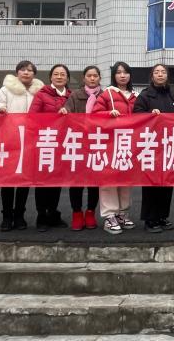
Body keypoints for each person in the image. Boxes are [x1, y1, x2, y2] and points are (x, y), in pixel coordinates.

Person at [0, 60, 44, 232]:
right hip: (10, 139)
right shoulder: (6, 89)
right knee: (7, 180)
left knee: (24, 180)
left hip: (30, 141)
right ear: (17, 73)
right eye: (22, 70)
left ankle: (19, 215)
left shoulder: (40, 91)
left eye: (29, 70)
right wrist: (0, 110)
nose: (26, 73)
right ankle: (6, 216)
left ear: (34, 74)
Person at [133, 64, 174, 233]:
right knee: (151, 185)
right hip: (151, 147)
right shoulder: (145, 95)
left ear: (167, 76)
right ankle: (150, 219)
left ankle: (162, 216)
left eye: (163, 72)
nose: (160, 74)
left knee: (167, 184)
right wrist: (149, 115)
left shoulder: (173, 97)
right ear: (152, 76)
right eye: (157, 72)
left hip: (168, 146)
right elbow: (135, 116)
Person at [91, 61, 137, 235]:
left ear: (130, 75)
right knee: (109, 178)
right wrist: (108, 114)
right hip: (109, 143)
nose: (122, 75)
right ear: (113, 76)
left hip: (128, 143)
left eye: (125, 72)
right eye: (118, 72)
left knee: (125, 178)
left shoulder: (136, 96)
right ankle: (109, 215)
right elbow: (94, 115)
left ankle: (122, 212)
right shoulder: (107, 94)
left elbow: (143, 115)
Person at [27, 64, 74, 231]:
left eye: (63, 74)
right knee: (42, 181)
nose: (59, 77)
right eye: (56, 74)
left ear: (67, 78)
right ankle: (41, 216)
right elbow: (32, 117)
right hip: (45, 143)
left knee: (56, 181)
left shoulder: (71, 96)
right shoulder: (42, 94)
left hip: (63, 143)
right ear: (51, 77)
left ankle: (53, 213)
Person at [62, 65, 103, 231]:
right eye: (89, 76)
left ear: (99, 78)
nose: (92, 78)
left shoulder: (105, 95)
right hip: (78, 142)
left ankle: (91, 212)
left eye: (95, 76)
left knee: (95, 181)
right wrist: (64, 111)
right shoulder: (75, 95)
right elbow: (67, 109)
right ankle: (77, 212)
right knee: (76, 180)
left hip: (97, 142)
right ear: (84, 78)